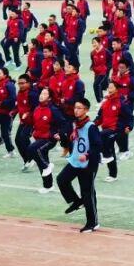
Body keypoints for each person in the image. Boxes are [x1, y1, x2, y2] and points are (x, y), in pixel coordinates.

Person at [57, 98, 102, 233]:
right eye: (75, 108)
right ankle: (76, 201)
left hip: (88, 163)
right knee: (61, 179)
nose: (76, 110)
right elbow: (71, 141)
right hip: (75, 160)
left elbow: (97, 145)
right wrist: (62, 138)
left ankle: (92, 223)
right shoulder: (75, 124)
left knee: (87, 192)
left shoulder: (91, 127)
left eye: (79, 108)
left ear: (86, 110)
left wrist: (87, 155)